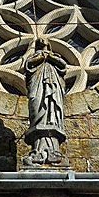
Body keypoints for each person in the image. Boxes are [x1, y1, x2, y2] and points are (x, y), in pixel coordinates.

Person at [23, 36, 67, 166]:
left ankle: (50, 150)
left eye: (44, 41)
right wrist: (42, 57)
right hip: (38, 86)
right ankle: (40, 151)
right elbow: (29, 66)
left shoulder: (54, 57)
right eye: (39, 42)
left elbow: (63, 66)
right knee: (37, 105)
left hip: (53, 86)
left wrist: (50, 57)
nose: (42, 42)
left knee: (53, 110)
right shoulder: (34, 57)